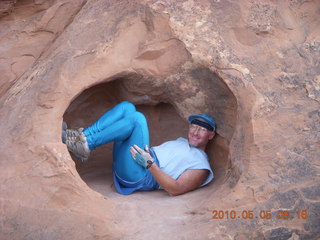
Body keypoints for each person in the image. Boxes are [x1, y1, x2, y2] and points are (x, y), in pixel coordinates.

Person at [62, 101, 216, 196]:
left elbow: (175, 189)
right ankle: (81, 140)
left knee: (138, 119)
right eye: (194, 126)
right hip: (136, 159)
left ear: (210, 135)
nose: (195, 132)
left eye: (202, 130)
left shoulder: (201, 165)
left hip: (142, 174)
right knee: (126, 107)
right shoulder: (182, 142)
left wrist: (150, 164)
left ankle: (87, 143)